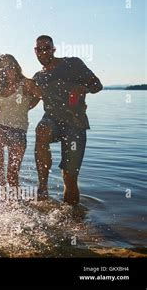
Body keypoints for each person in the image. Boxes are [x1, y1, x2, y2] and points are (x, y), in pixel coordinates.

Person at [33, 35, 103, 205]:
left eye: (46, 48)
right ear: (35, 51)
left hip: (75, 123)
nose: (42, 52)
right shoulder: (38, 77)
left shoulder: (73, 64)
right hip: (51, 121)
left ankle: (72, 220)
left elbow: (97, 85)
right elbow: (28, 103)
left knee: (69, 178)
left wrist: (84, 88)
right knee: (42, 129)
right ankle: (43, 187)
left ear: (53, 49)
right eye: (39, 49)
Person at [0, 54, 41, 200]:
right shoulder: (0, 88)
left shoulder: (26, 84)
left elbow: (41, 96)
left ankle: (17, 204)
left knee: (12, 175)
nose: (7, 69)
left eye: (10, 65)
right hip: (0, 128)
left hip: (18, 132)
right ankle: (1, 185)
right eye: (3, 67)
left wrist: (26, 106)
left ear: (16, 66)